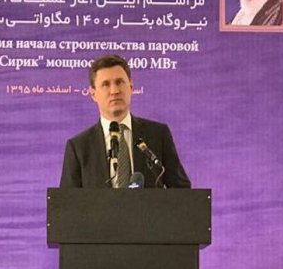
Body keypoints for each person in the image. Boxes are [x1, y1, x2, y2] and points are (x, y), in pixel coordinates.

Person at [60, 55, 191, 189]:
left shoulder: (158, 135)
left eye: (119, 82)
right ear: (93, 94)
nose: (114, 91)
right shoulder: (78, 147)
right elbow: (67, 199)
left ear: (131, 86)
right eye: (105, 84)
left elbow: (182, 191)